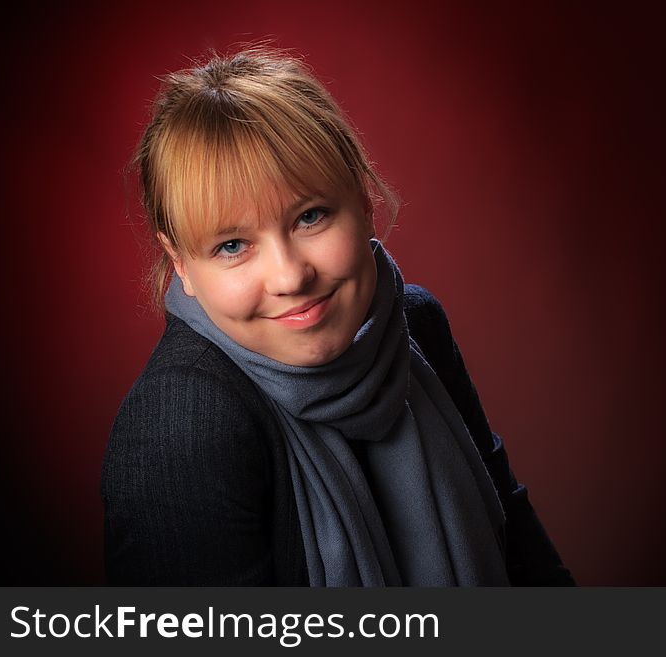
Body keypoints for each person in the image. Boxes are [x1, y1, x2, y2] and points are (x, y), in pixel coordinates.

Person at [101, 46, 574, 586]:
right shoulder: (182, 424)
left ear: (363, 198)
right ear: (181, 262)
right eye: (232, 245)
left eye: (311, 216)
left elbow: (528, 560)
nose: (289, 277)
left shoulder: (417, 327)